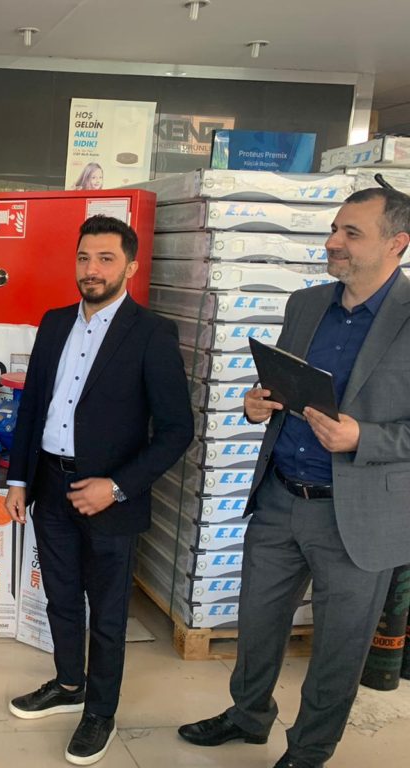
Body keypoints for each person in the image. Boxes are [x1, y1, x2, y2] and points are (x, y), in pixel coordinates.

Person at [178, 187, 410, 768]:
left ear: (397, 244)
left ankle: (308, 750)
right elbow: (286, 386)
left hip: (358, 515)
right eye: (334, 228)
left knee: (339, 646)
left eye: (351, 233)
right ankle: (248, 715)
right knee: (257, 622)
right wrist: (259, 403)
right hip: (281, 496)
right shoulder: (306, 306)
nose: (333, 242)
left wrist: (363, 438)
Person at [5, 215, 193, 765]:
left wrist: (118, 487)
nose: (92, 269)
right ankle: (69, 684)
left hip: (110, 498)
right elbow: (32, 407)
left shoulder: (151, 333)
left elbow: (177, 430)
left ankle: (100, 712)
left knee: (108, 615)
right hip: (49, 486)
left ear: (130, 267)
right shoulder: (54, 323)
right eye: (84, 257)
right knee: (61, 598)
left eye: (106, 259)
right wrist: (18, 479)